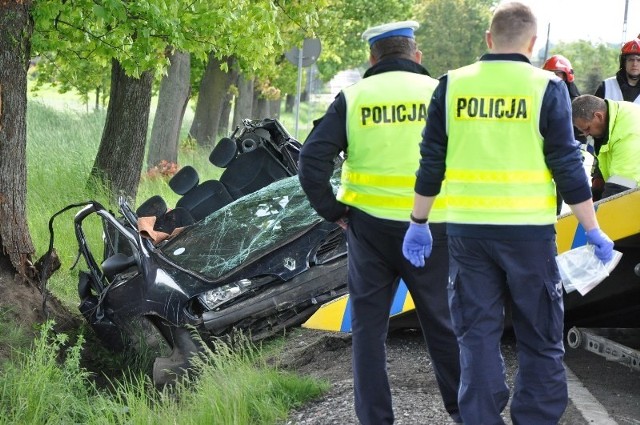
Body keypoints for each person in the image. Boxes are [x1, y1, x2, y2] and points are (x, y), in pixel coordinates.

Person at [401, 3, 615, 424]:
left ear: (488, 39)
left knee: (476, 334)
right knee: (539, 332)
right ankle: (534, 416)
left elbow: (431, 163)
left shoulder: (451, 85)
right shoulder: (546, 88)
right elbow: (567, 167)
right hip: (528, 234)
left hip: (467, 234)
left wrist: (418, 222)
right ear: (532, 43)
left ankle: (480, 416)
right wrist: (592, 229)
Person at [297, 20, 461, 425]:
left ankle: (375, 419)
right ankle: (466, 411)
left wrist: (334, 211)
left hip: (368, 230)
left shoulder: (353, 98)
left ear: (372, 58)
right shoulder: (443, 93)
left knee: (369, 331)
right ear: (416, 55)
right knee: (443, 323)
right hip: (434, 227)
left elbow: (311, 161)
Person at [572, 94, 640, 197]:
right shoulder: (612, 117)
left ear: (598, 116)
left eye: (587, 128)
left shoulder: (627, 133)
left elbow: (621, 186)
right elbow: (605, 156)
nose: (586, 134)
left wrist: (601, 210)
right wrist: (597, 186)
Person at [542, 54, 584, 214]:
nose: (554, 77)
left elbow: (582, 133)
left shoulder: (575, 102)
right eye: (551, 73)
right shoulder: (539, 97)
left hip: (567, 155)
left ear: (567, 76)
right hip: (544, 152)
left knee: (563, 190)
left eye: (558, 73)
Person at [594, 37, 640, 104]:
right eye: (631, 60)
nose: (635, 64)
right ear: (624, 62)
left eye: (639, 60)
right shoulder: (606, 86)